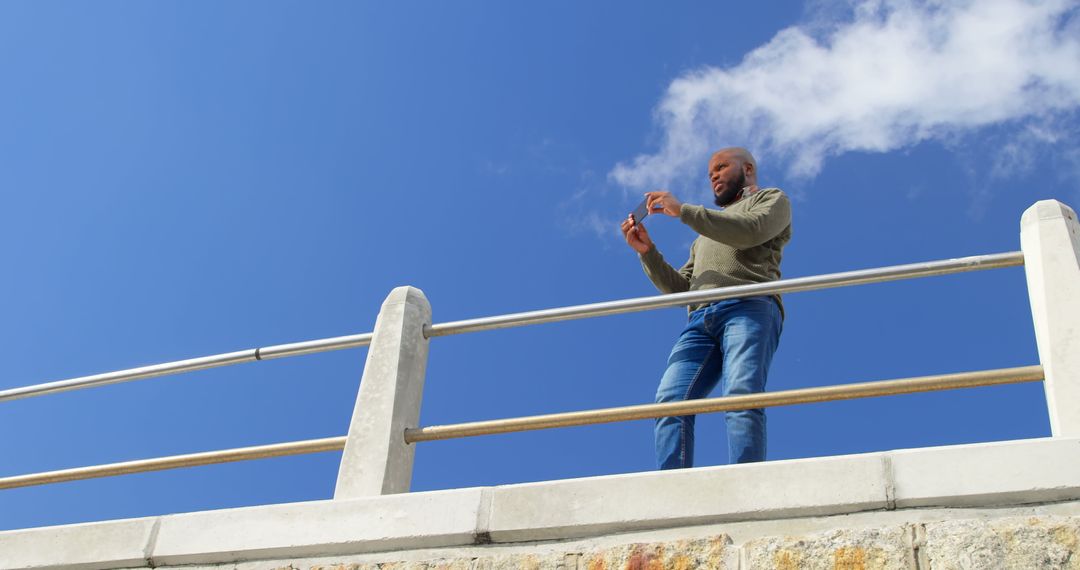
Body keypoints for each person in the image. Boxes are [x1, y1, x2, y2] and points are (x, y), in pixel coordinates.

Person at [619, 147, 791, 469]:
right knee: (670, 401)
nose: (713, 175)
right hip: (699, 321)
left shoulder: (772, 199)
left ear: (748, 168)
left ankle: (746, 482)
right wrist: (648, 252)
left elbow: (750, 232)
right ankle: (674, 490)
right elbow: (682, 289)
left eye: (722, 167)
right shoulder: (702, 238)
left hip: (748, 305)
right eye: (710, 171)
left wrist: (683, 210)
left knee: (741, 394)